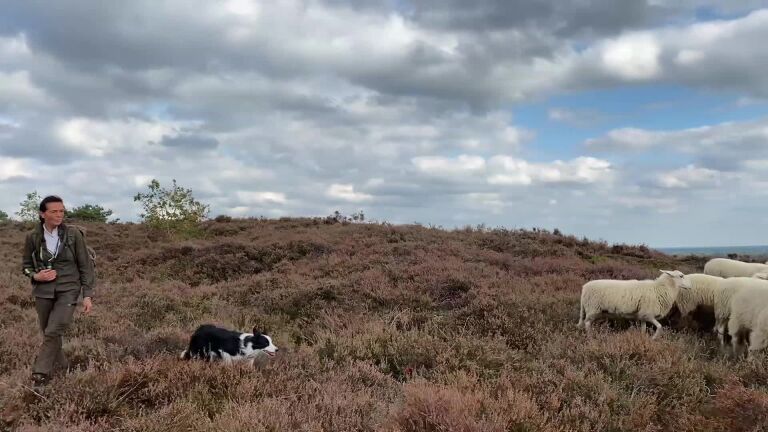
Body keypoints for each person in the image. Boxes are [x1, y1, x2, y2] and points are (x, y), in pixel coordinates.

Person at [21, 195, 95, 387]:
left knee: (54, 330)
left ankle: (40, 373)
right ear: (42, 214)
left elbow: (86, 266)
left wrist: (87, 294)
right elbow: (26, 266)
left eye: (62, 211)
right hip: (43, 291)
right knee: (49, 333)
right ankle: (64, 367)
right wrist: (36, 276)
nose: (59, 215)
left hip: (69, 289)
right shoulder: (33, 237)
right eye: (54, 211)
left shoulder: (73, 235)